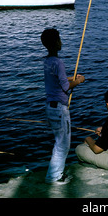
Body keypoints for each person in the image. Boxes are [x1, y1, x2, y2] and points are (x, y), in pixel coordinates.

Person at [41, 27, 85, 184]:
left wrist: (70, 77)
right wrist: (78, 81)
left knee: (58, 143)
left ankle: (53, 175)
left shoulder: (47, 61)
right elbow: (66, 87)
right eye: (59, 39)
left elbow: (58, 80)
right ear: (56, 43)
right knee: (63, 146)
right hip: (60, 109)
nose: (61, 42)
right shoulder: (58, 62)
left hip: (50, 107)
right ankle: (55, 178)